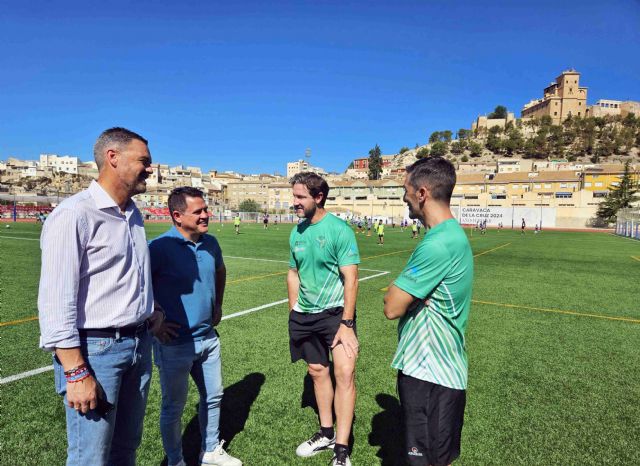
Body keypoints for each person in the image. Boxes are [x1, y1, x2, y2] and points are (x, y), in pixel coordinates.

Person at [37, 127, 164, 465]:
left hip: (138, 344)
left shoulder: (133, 213)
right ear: (113, 158)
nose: (151, 169)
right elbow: (54, 303)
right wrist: (76, 372)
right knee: (90, 457)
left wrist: (151, 309)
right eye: (144, 161)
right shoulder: (74, 214)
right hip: (96, 351)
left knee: (126, 450)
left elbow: (127, 274)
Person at [383, 157, 474, 466]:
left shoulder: (439, 243)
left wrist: (398, 291)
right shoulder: (449, 235)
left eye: (406, 190)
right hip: (434, 372)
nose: (404, 198)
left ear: (421, 193)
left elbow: (392, 306)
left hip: (432, 374)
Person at [150, 187, 241, 466]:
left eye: (205, 209)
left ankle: (211, 450)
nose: (206, 215)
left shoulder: (211, 243)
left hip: (208, 338)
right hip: (174, 343)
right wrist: (154, 322)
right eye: (198, 211)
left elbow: (221, 271)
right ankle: (176, 460)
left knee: (214, 397)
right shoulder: (158, 248)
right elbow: (138, 287)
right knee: (173, 408)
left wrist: (218, 304)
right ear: (177, 216)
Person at [287, 172, 360, 466]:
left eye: (300, 197)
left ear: (319, 197)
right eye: (294, 196)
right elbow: (293, 271)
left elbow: (351, 278)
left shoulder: (339, 231)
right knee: (317, 371)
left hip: (335, 315)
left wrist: (347, 323)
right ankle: (326, 432)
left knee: (344, 374)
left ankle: (341, 451)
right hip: (304, 315)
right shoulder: (296, 232)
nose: (294, 203)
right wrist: (294, 308)